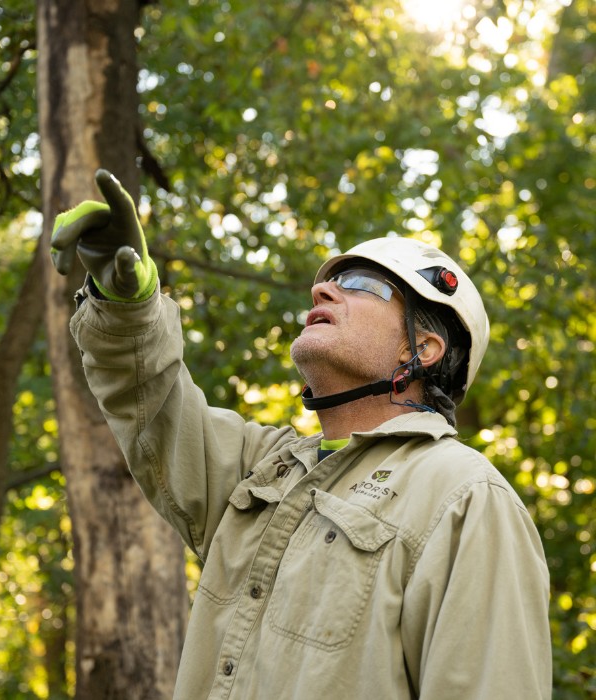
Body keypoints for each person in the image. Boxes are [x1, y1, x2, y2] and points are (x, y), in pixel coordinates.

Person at [51, 169, 552, 700]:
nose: (321, 288)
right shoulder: (263, 468)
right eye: (328, 282)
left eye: (360, 284)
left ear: (421, 350)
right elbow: (152, 401)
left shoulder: (464, 498)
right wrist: (125, 301)